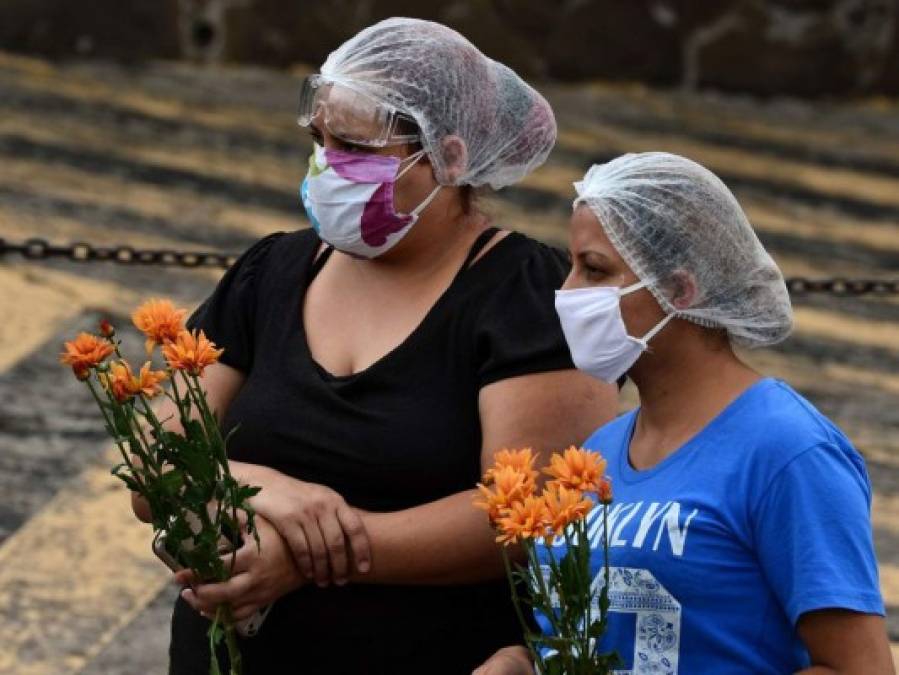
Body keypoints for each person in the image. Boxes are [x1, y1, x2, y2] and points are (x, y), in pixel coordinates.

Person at [131, 17, 619, 675]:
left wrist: (309, 558)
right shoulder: (271, 272)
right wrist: (262, 488)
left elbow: (526, 518)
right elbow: (154, 457)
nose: (326, 163)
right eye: (318, 139)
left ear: (448, 157)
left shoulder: (524, 299)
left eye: (354, 147)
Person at [475, 152, 894, 674]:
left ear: (679, 288)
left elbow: (860, 668)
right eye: (572, 267)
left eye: (595, 270)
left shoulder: (788, 451)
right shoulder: (597, 455)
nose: (566, 293)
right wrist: (524, 662)